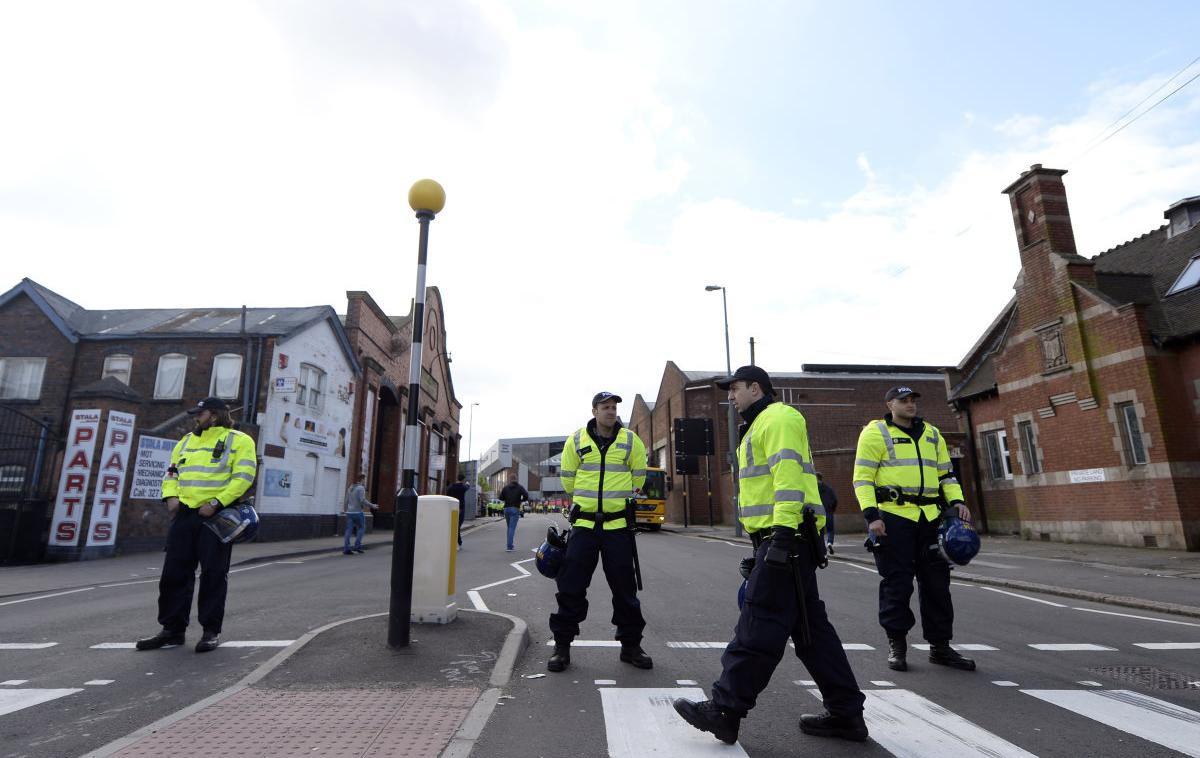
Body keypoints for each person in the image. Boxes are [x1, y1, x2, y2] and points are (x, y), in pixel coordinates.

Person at [674, 366, 867, 745]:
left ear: (756, 387)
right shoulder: (759, 426)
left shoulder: (778, 417)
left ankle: (725, 710)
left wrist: (778, 538)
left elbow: (788, 479)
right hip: (783, 539)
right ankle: (846, 714)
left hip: (787, 538)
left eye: (735, 389)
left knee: (759, 622)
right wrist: (761, 543)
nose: (730, 396)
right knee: (811, 632)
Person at [853, 386, 975, 673]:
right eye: (903, 400)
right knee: (897, 584)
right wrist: (872, 516)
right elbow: (862, 478)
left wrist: (957, 502)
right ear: (890, 404)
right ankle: (897, 646)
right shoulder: (875, 433)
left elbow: (946, 474)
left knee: (937, 585)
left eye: (912, 400)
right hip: (894, 518)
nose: (910, 405)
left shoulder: (932, 434)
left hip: (931, 518)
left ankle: (940, 647)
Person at [135, 397, 257, 653]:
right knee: (173, 574)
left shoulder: (239, 440)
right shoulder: (186, 441)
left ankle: (210, 632)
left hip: (216, 516)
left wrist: (216, 501)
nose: (195, 418)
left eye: (199, 414)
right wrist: (170, 497)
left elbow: (244, 477)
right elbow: (171, 473)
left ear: (213, 416)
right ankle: (172, 630)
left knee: (214, 575)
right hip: (185, 516)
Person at [548, 391, 652, 673]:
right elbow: (568, 479)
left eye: (614, 407)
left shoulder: (631, 440)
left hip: (618, 527)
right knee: (570, 588)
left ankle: (631, 647)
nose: (611, 412)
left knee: (625, 590)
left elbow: (638, 477)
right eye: (605, 407)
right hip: (584, 527)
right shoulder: (577, 440)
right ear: (594, 411)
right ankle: (562, 646)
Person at [342, 473, 376, 555]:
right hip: (358, 512)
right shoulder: (361, 488)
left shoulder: (350, 487)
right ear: (362, 480)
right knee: (361, 528)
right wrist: (372, 505)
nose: (365, 482)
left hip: (349, 512)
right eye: (365, 480)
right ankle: (357, 546)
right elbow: (362, 500)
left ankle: (346, 548)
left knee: (348, 530)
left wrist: (345, 510)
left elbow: (346, 500)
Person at [498, 475, 529, 552]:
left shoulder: (505, 488)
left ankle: (509, 545)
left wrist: (507, 498)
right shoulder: (520, 487)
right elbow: (526, 495)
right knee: (512, 528)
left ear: (510, 479)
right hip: (515, 508)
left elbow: (501, 498)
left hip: (506, 509)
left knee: (509, 528)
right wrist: (521, 500)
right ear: (516, 479)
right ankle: (509, 546)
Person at [446, 473, 470, 548]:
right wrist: (467, 484)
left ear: (457, 478)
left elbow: (447, 494)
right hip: (460, 508)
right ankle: (458, 542)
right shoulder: (463, 487)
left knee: (453, 525)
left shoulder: (451, 487)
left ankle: (456, 542)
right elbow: (467, 487)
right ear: (463, 480)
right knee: (458, 525)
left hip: (451, 507)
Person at [816, 472, 838, 555]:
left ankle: (821, 547)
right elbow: (835, 500)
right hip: (828, 511)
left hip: (818, 512)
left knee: (819, 530)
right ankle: (829, 543)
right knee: (830, 530)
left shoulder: (813, 488)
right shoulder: (829, 488)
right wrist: (832, 509)